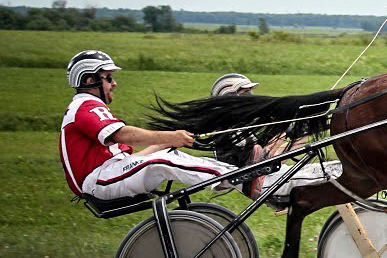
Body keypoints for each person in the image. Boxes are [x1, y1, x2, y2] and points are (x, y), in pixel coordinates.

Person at [60, 51, 258, 202]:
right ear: (90, 80)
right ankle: (239, 179)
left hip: (109, 175)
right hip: (97, 182)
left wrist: (168, 143)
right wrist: (169, 137)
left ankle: (236, 171)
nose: (114, 83)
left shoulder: (89, 107)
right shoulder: (84, 107)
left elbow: (131, 160)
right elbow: (122, 135)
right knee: (161, 161)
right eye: (109, 77)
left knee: (169, 154)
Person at [208, 71, 343, 204]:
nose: (251, 96)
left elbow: (273, 159)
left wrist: (300, 135)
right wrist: (287, 134)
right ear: (230, 96)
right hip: (266, 183)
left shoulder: (237, 127)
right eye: (246, 92)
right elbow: (265, 160)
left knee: (340, 167)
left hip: (271, 177)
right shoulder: (230, 132)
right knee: (340, 171)